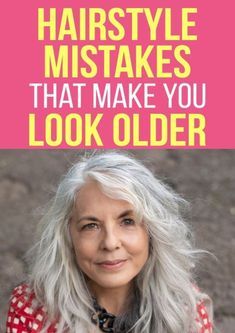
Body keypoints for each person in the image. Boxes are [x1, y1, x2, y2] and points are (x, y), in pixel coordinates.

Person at [6, 151, 213, 333]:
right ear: (68, 236)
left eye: (127, 221)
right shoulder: (32, 309)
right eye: (91, 225)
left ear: (152, 231)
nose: (110, 242)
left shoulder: (185, 307)